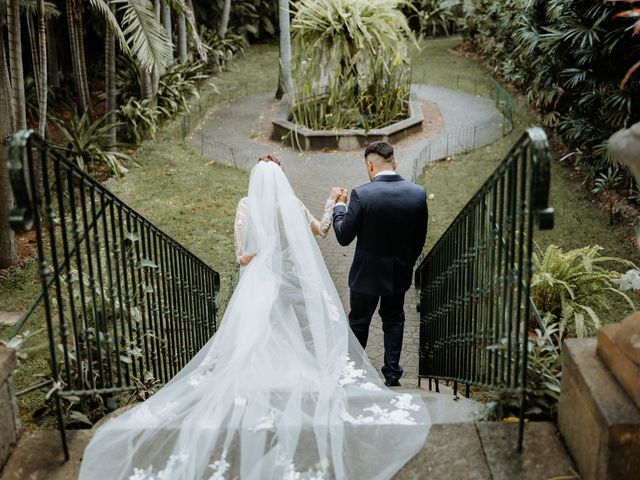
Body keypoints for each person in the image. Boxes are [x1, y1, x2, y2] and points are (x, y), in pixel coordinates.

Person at [78, 155, 430, 480]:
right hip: (293, 284)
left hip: (262, 285)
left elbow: (242, 257)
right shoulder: (291, 205)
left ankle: (260, 376)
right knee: (299, 329)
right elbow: (322, 231)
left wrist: (263, 255)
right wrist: (331, 201)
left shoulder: (246, 207)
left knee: (260, 334)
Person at [333, 141, 428, 387]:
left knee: (359, 321)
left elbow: (343, 236)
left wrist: (339, 207)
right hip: (398, 273)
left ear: (370, 165)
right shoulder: (417, 193)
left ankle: (353, 371)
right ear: (394, 163)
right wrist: (405, 262)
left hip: (365, 275)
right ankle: (392, 374)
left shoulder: (362, 194)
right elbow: (419, 240)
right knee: (394, 319)